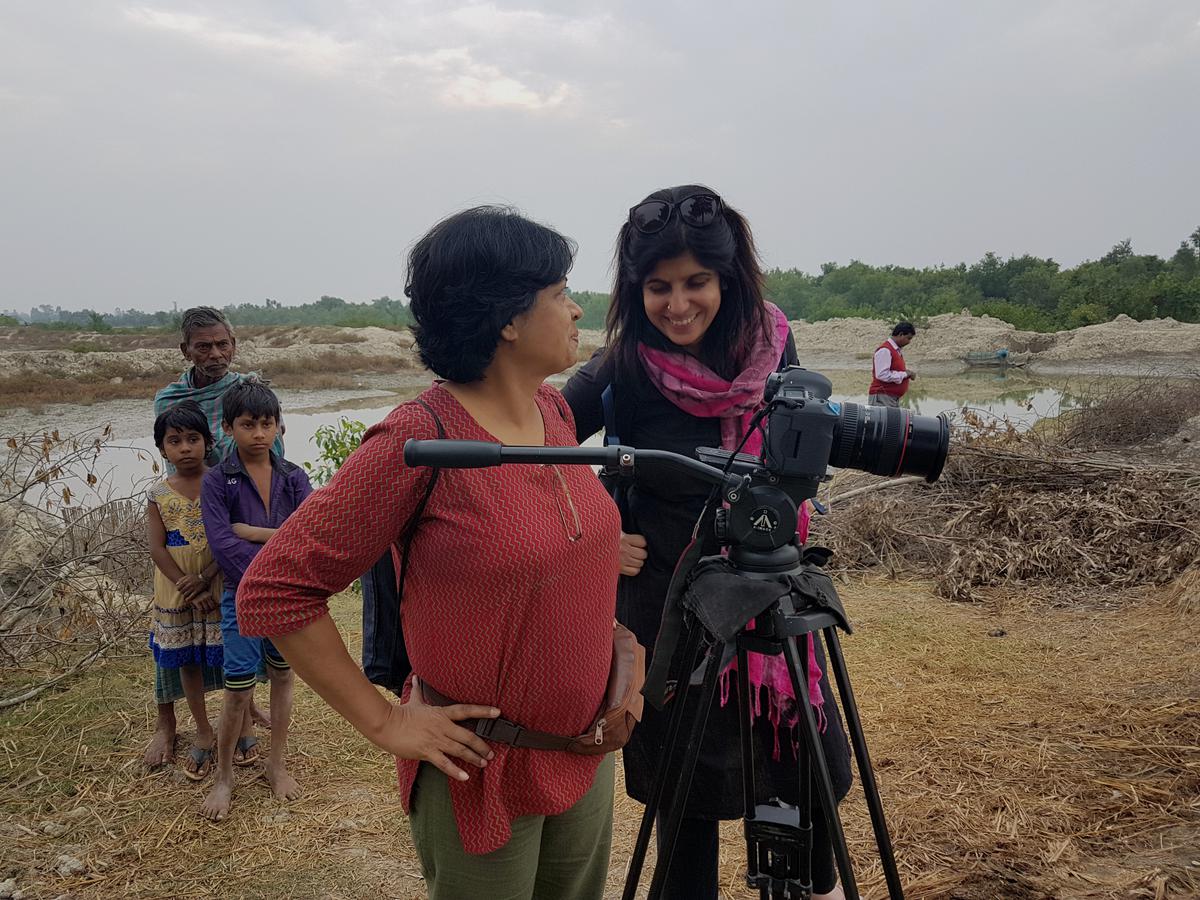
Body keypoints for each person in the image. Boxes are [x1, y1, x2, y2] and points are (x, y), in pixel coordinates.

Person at [235, 207, 621, 900]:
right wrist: (384, 721)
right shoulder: (417, 441)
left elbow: (551, 550)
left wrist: (622, 647)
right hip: (481, 768)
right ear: (507, 318)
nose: (577, 308)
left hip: (585, 755)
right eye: (560, 293)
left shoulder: (554, 412)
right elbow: (276, 589)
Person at [562, 185, 852, 900]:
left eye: (697, 283)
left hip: (764, 587)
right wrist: (598, 526)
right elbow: (536, 446)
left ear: (729, 278)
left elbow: (799, 451)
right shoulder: (621, 363)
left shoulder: (774, 341)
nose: (678, 304)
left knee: (799, 768)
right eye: (658, 287)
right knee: (683, 800)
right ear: (636, 291)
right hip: (668, 603)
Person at [145, 307, 277, 769]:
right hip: (186, 530)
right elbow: (170, 475)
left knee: (234, 628)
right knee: (179, 637)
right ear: (186, 350)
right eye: (204, 346)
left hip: (236, 530)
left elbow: (269, 460)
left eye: (223, 344)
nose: (215, 354)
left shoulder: (247, 391)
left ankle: (242, 710)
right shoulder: (171, 398)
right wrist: (188, 575)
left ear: (234, 344)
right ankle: (171, 721)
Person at [199, 379, 312, 821]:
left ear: (279, 426)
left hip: (285, 596)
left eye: (267, 424)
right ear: (229, 427)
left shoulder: (293, 476)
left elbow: (310, 534)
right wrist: (272, 550)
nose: (259, 434)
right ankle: (224, 776)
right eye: (248, 425)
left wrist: (256, 532)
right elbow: (222, 543)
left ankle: (275, 763)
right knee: (237, 690)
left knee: (284, 679)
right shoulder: (217, 480)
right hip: (241, 594)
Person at [146, 401, 224, 781]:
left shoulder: (224, 481)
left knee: (230, 654)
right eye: (174, 441)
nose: (185, 447)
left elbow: (230, 538)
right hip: (177, 590)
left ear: (208, 442)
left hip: (218, 581)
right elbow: (157, 548)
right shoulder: (158, 493)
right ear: (163, 449)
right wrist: (188, 586)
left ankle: (239, 725)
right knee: (189, 662)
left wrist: (208, 576)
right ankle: (204, 730)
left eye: (193, 438)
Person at [868, 321, 917, 407]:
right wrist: (905, 374)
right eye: (908, 338)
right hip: (882, 397)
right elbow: (882, 374)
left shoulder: (895, 350)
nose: (909, 342)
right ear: (901, 334)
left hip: (889, 398)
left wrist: (906, 374)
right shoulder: (885, 350)